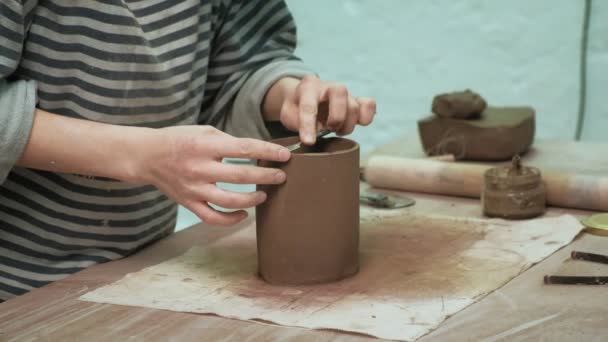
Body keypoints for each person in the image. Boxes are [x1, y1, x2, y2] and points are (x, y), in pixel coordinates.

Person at [0, 0, 376, 302]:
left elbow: (241, 64)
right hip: (17, 286)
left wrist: (284, 94)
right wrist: (142, 156)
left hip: (141, 267)